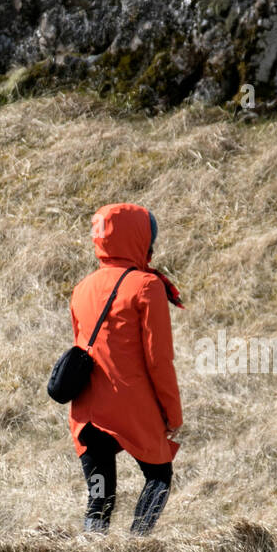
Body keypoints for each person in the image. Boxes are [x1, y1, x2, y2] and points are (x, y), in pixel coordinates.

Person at [68, 203, 184, 534]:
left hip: (87, 411)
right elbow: (158, 361)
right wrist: (172, 415)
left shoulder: (81, 288)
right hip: (131, 407)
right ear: (139, 239)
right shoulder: (147, 286)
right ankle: (137, 549)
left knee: (100, 497)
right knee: (159, 475)